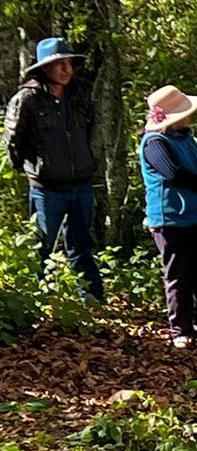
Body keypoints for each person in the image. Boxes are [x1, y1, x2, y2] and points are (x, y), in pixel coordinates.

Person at [3, 36, 103, 299]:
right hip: (47, 189)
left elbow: (91, 131)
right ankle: (37, 304)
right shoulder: (27, 99)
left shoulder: (80, 97)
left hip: (81, 185)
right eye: (59, 64)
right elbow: (13, 141)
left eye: (68, 62)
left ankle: (91, 300)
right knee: (42, 248)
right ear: (44, 67)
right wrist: (33, 169)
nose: (66, 69)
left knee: (82, 245)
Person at [138, 86, 197, 348]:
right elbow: (173, 173)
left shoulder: (185, 138)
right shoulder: (154, 142)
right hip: (171, 219)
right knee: (179, 274)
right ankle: (181, 330)